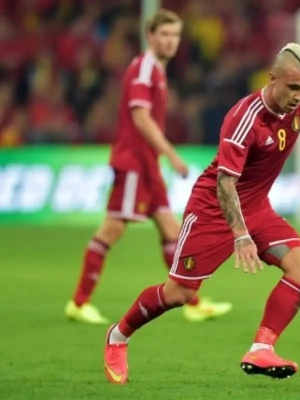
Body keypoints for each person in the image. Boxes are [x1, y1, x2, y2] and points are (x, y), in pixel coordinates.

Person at [103, 40, 300, 384]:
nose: (299, 96)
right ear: (272, 79)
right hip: (213, 210)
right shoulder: (244, 118)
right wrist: (240, 235)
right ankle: (118, 335)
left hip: (256, 207)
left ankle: (261, 348)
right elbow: (225, 183)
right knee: (180, 294)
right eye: (292, 87)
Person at [66, 9, 232, 325]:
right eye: (164, 34)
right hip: (134, 162)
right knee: (111, 229)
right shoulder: (144, 68)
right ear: (150, 37)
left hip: (147, 165)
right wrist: (171, 154)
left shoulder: (156, 70)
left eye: (175, 35)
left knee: (172, 230)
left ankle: (193, 302)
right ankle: (79, 302)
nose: (170, 41)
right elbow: (140, 117)